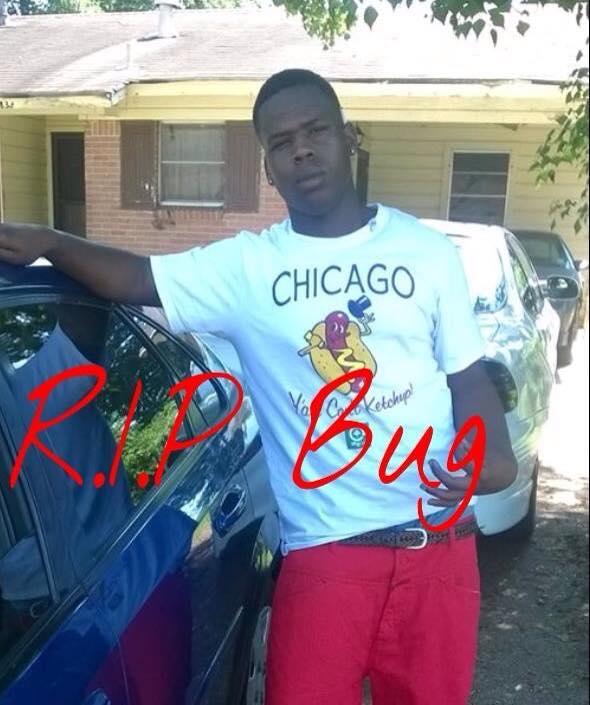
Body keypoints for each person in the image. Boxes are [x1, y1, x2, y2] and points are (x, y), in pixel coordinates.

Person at [0, 69, 517, 705]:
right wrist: (51, 242)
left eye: (315, 131)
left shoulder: (425, 252)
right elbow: (136, 278)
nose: (301, 151)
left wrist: (493, 454)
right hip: (326, 556)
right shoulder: (247, 269)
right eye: (281, 143)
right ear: (268, 168)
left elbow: (467, 375)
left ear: (348, 137)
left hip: (437, 543)